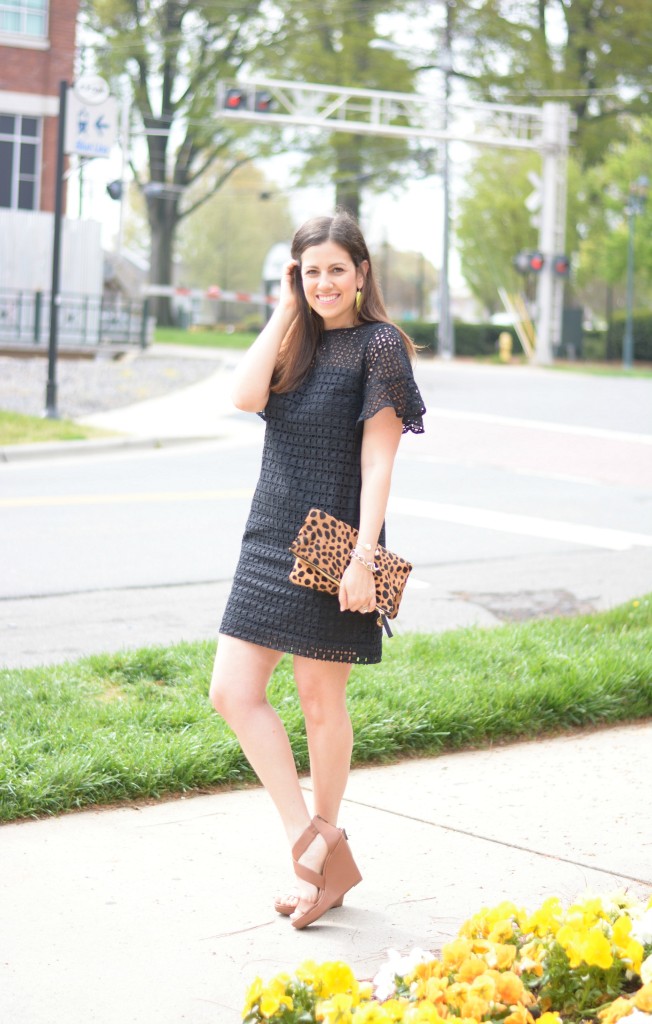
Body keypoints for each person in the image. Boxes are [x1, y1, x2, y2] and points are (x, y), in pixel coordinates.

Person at [209, 210, 426, 929]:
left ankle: (318, 864)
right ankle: (315, 846)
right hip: (269, 534)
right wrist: (283, 308)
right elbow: (244, 397)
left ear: (362, 272)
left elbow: (378, 459)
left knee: (317, 700)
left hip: (336, 544)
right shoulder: (293, 341)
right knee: (233, 693)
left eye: (337, 269)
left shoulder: (381, 346)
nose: (325, 282)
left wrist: (364, 559)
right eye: (311, 272)